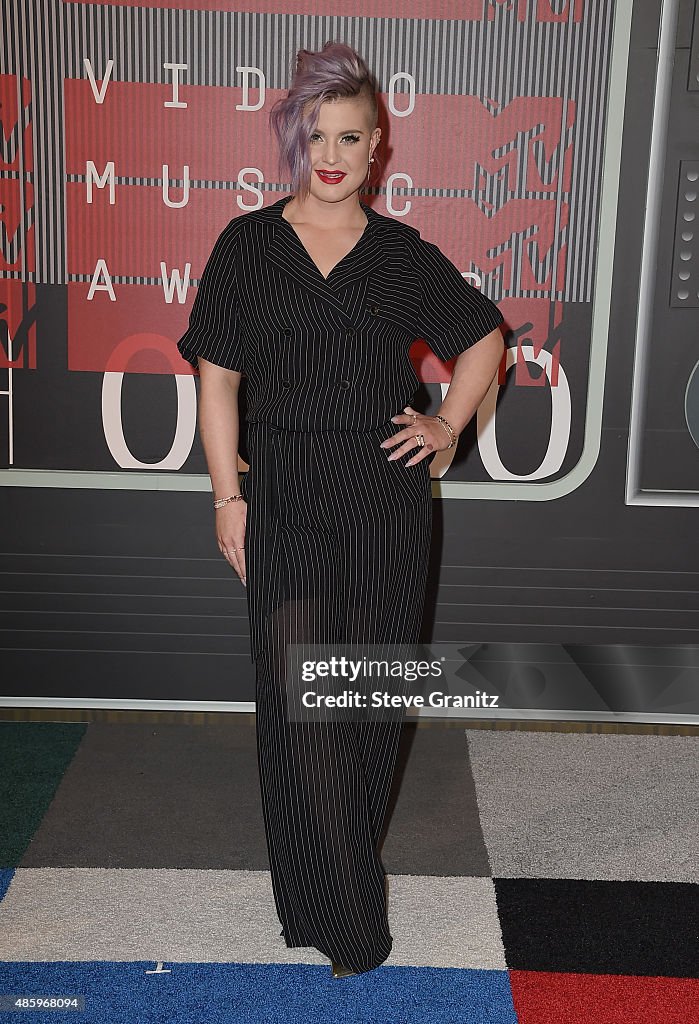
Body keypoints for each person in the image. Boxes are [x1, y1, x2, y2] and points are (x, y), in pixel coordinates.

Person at [176, 41, 505, 978]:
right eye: (315, 134)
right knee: (300, 708)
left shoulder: (400, 257)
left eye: (348, 136)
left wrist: (446, 426)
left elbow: (485, 339)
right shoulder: (246, 246)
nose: (330, 153)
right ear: (296, 141)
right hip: (283, 493)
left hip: (385, 502)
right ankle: (353, 919)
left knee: (361, 706)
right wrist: (227, 497)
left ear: (376, 151)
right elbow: (217, 384)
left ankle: (333, 895)